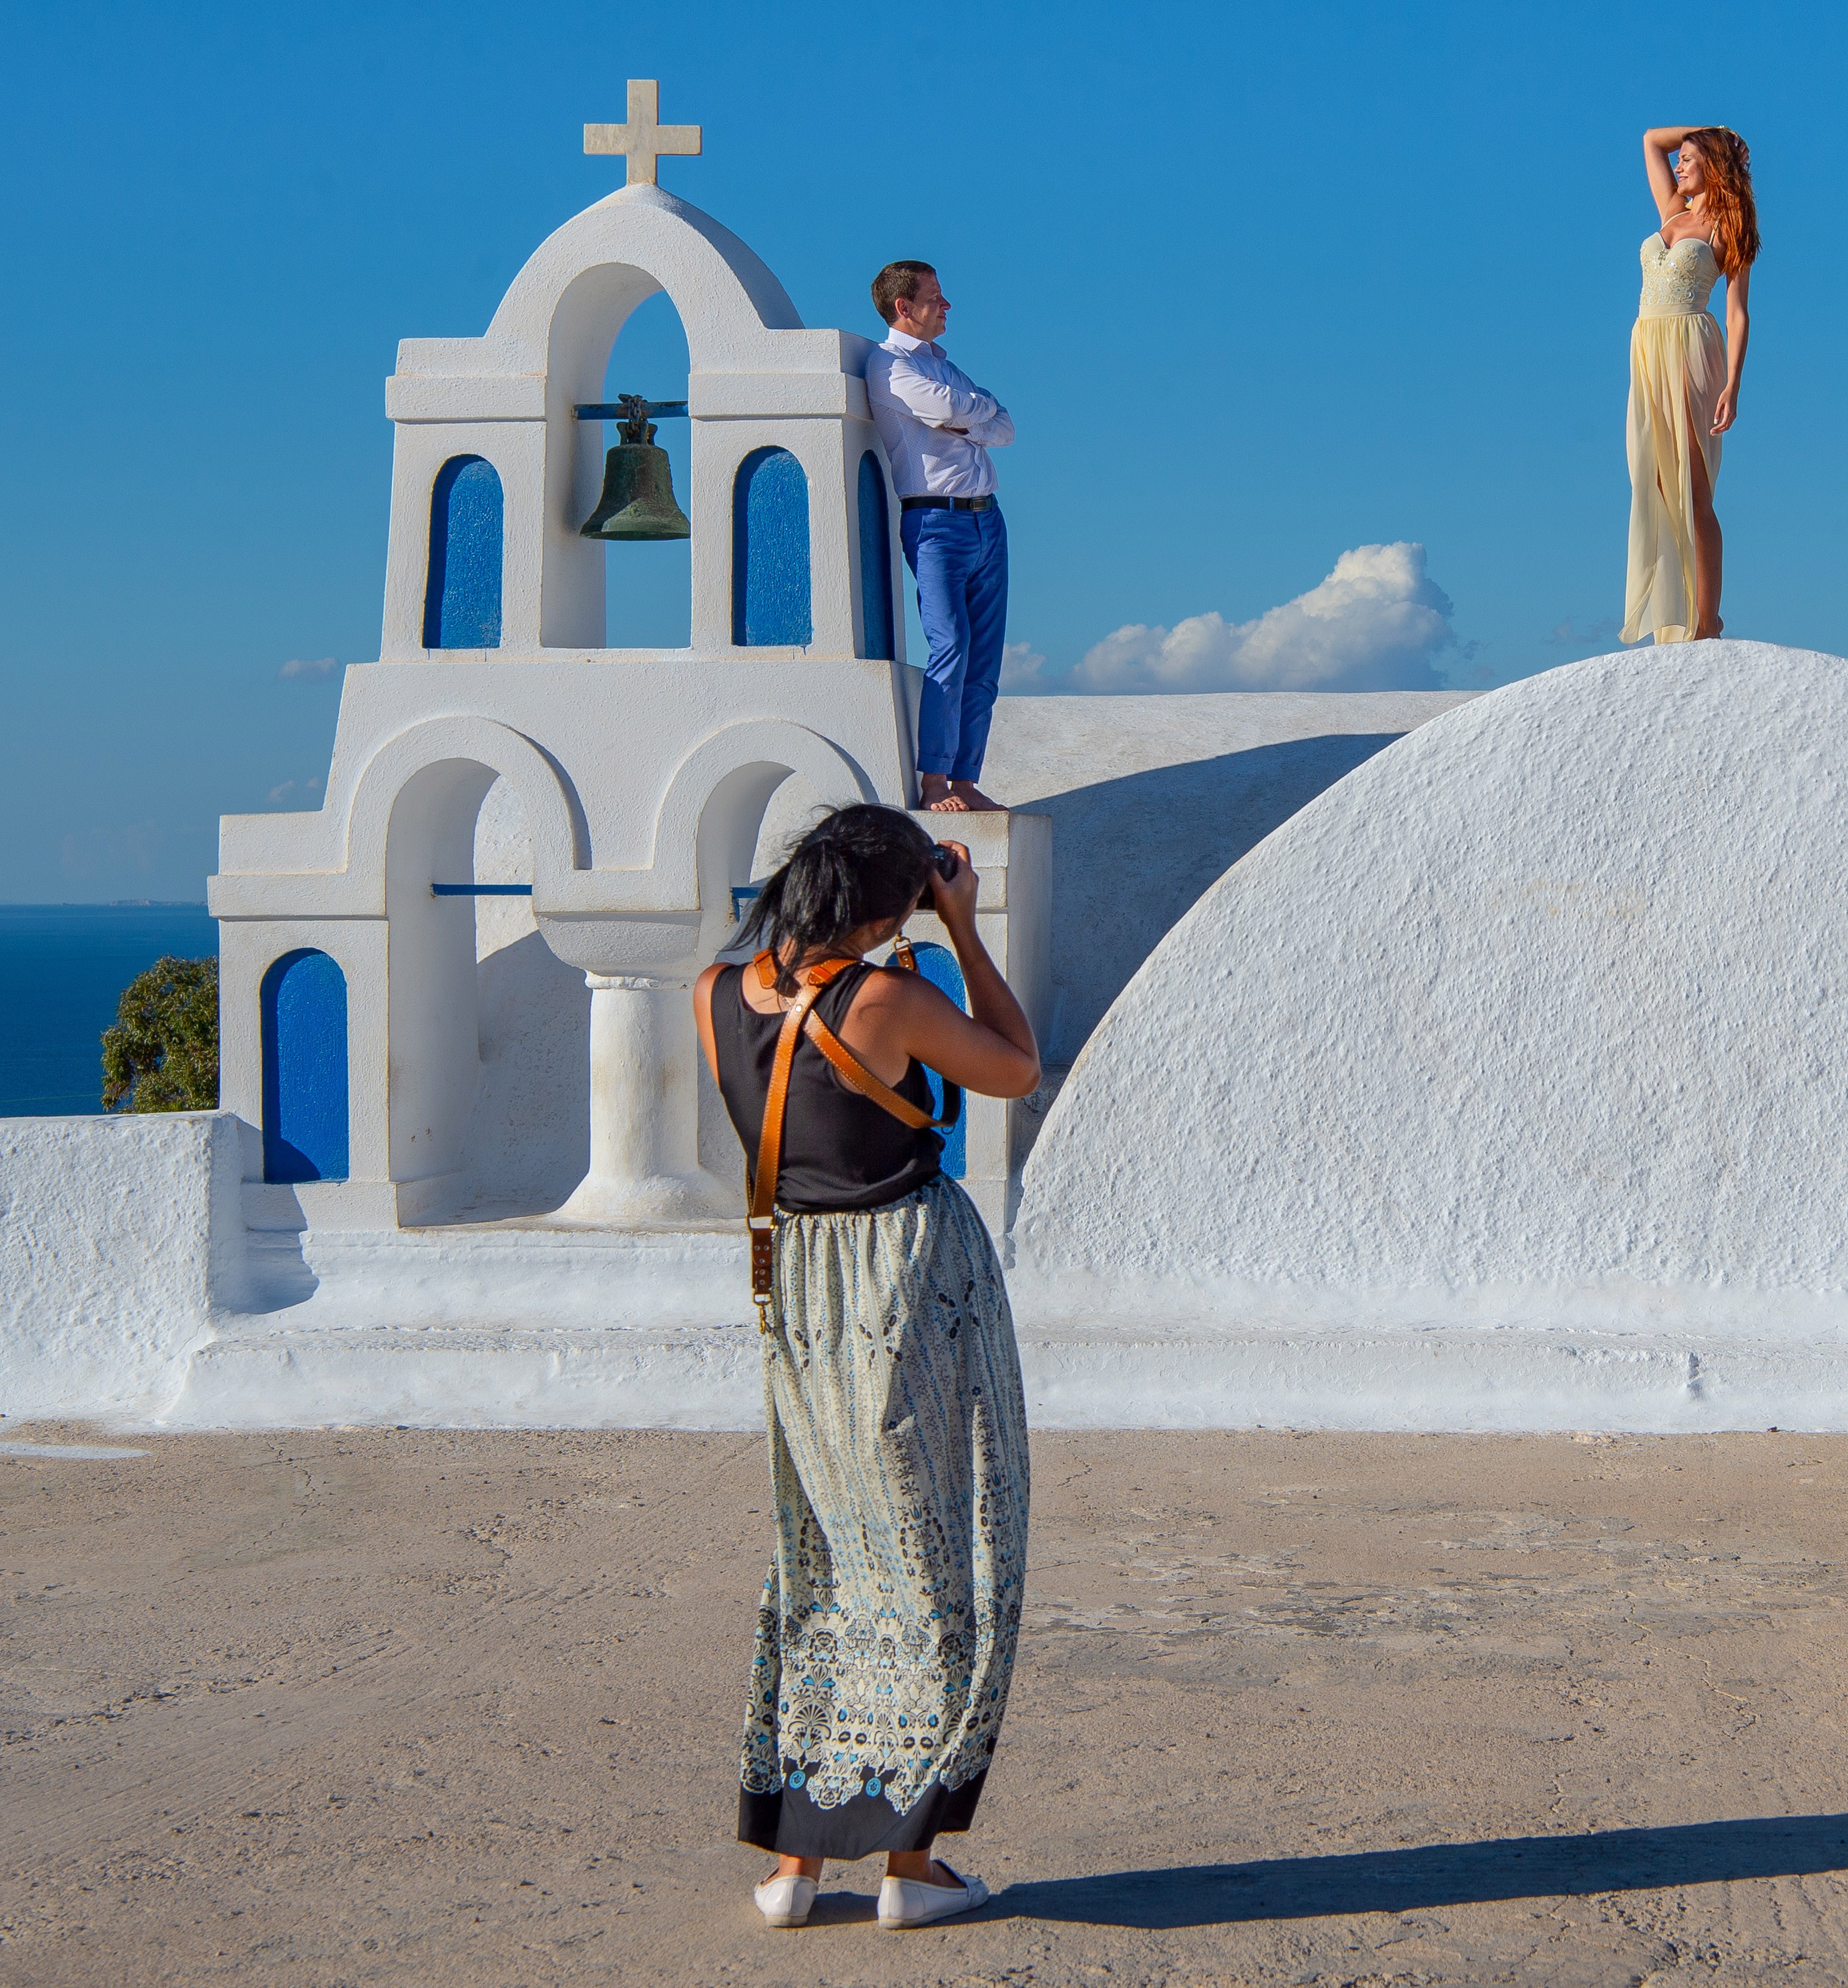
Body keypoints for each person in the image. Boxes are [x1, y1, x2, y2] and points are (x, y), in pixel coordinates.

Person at [692, 804, 1044, 1930]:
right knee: (950, 1545)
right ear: (898, 895)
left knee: (821, 1550)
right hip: (907, 1279)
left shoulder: (712, 990)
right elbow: (1014, 1066)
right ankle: (909, 1860)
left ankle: (794, 1864)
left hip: (791, 1278)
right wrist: (966, 930)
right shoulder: (890, 997)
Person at [865, 260, 1016, 813]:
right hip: (935, 525)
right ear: (904, 307)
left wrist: (968, 417)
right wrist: (972, 415)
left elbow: (1004, 427)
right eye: (935, 297)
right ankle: (934, 783)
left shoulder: (944, 368)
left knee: (985, 659)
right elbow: (959, 410)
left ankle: (965, 780)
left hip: (987, 520)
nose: (947, 306)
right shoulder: (890, 369)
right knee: (950, 646)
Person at [1624, 126, 1760, 646]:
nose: (1678, 166)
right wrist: (1712, 131)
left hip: (1690, 347)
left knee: (1694, 486)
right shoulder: (1671, 211)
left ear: (1714, 166)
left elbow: (1739, 311)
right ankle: (1676, 612)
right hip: (1646, 350)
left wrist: (1734, 383)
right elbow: (1650, 140)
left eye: (1689, 159)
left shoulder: (1730, 224)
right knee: (1656, 482)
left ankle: (1708, 622)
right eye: (1679, 161)